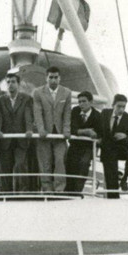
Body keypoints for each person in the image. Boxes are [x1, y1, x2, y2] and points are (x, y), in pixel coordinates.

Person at [32, 66, 72, 195]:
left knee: (60, 161)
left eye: (55, 77)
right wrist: (41, 129)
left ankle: (59, 189)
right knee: (45, 163)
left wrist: (66, 130)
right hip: (44, 134)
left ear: (59, 78)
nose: (53, 80)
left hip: (59, 135)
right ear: (46, 78)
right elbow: (37, 112)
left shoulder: (66, 93)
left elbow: (67, 114)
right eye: (51, 77)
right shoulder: (38, 92)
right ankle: (47, 190)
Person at [0, 70, 35, 197]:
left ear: (18, 84)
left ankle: (22, 191)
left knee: (20, 164)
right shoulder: (1, 100)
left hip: (20, 138)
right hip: (6, 139)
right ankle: (4, 192)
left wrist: (29, 130)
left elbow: (28, 115)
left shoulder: (26, 99)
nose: (10, 85)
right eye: (8, 82)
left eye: (13, 82)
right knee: (5, 166)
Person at [98, 93, 128, 197]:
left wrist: (125, 137)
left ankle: (124, 178)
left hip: (121, 149)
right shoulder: (105, 113)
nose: (121, 109)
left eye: (123, 107)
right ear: (113, 105)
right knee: (110, 178)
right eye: (119, 106)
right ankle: (113, 198)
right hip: (107, 149)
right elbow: (98, 129)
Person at [65, 89, 99, 195]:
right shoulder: (75, 111)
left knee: (84, 164)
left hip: (88, 148)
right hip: (75, 146)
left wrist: (80, 132)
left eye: (84, 101)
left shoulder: (97, 116)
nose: (81, 104)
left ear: (91, 102)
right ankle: (68, 191)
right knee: (69, 163)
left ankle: (77, 191)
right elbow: (72, 129)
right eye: (79, 101)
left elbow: (98, 133)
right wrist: (87, 131)